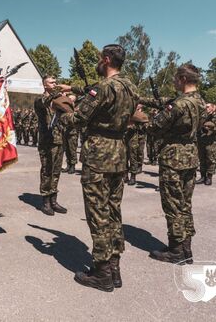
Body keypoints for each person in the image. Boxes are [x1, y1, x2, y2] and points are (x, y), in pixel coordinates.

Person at [57, 44, 137, 291]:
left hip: (99, 155)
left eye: (100, 61)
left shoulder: (103, 88)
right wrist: (74, 88)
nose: (98, 65)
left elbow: (78, 118)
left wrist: (60, 111)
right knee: (113, 211)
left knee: (98, 214)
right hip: (119, 153)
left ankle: (102, 272)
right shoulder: (131, 86)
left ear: (106, 60)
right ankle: (114, 267)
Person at [148, 64, 206, 264]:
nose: (173, 81)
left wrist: (141, 120)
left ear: (182, 79)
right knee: (184, 204)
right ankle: (185, 248)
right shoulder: (199, 101)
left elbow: (155, 127)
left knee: (172, 204)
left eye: (175, 78)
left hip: (173, 158)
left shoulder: (179, 105)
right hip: (190, 155)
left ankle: (175, 250)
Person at [34, 75, 67, 216]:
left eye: (56, 82)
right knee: (47, 171)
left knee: (56, 171)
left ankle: (54, 200)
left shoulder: (58, 100)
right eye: (51, 82)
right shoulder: (39, 100)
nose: (55, 84)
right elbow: (46, 102)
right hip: (47, 141)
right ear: (44, 85)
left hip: (59, 139)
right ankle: (46, 202)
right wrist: (58, 92)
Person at [196, 103, 216, 185]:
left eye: (208, 107)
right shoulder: (204, 116)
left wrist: (206, 125)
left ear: (212, 108)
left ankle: (209, 177)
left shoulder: (214, 116)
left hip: (210, 141)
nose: (206, 108)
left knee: (210, 159)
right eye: (206, 107)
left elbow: (213, 125)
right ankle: (203, 176)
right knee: (202, 159)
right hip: (201, 140)